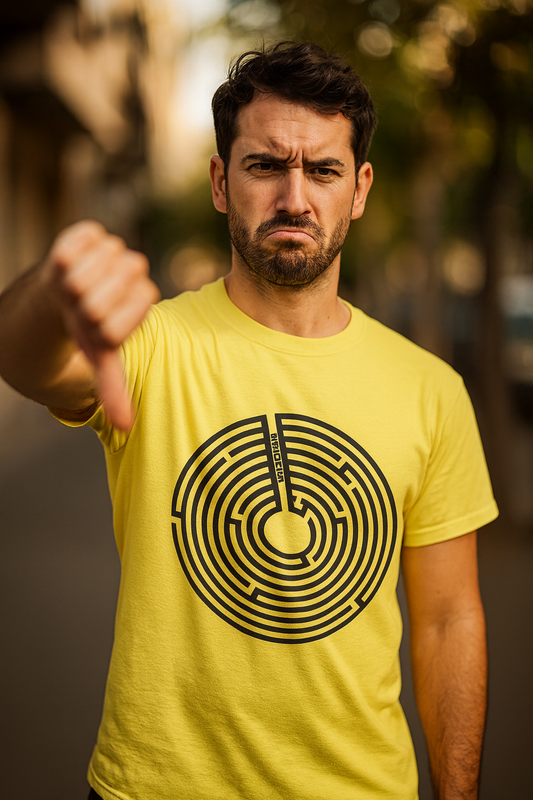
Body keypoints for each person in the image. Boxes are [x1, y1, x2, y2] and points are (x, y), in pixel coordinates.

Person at [0, 41, 497, 800]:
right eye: (265, 165)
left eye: (323, 170)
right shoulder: (150, 343)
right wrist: (51, 290)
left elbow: (447, 618)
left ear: (359, 188)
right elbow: (24, 360)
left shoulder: (430, 389)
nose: (294, 197)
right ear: (220, 182)